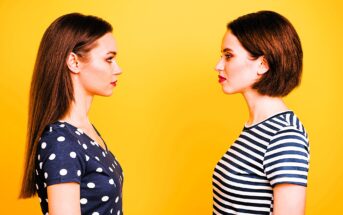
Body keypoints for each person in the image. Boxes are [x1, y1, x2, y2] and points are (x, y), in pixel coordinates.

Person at [19, 13, 123, 215]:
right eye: (109, 59)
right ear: (74, 62)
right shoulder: (61, 141)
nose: (118, 69)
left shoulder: (85, 132)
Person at [212, 11, 310, 215]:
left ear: (263, 64)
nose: (218, 66)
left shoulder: (285, 135)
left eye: (228, 56)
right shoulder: (257, 127)